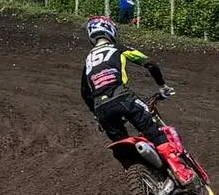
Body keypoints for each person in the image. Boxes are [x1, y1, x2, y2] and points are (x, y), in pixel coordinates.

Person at [78, 15, 196, 186]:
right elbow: (150, 64)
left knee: (122, 148)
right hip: (123, 98)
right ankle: (181, 172)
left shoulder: (88, 60)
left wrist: (96, 115)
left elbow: (84, 92)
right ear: (110, 30)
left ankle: (144, 183)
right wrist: (162, 86)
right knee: (155, 133)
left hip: (101, 109)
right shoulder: (118, 48)